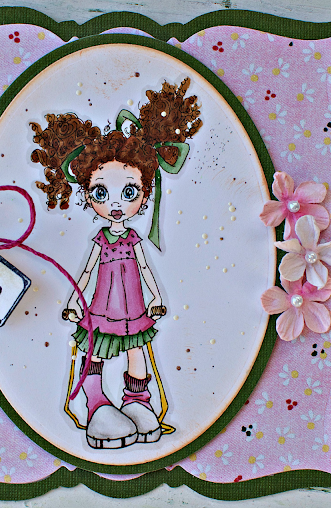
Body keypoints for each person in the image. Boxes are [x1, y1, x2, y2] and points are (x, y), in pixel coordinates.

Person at [29, 78, 202, 449]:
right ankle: (95, 403)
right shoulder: (100, 240)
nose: (117, 204)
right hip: (102, 306)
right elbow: (87, 272)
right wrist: (74, 302)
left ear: (145, 192)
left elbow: (146, 270)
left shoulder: (133, 239)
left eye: (129, 192)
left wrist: (157, 298)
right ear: (88, 194)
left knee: (136, 350)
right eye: (101, 193)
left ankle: (137, 402)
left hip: (134, 306)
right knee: (97, 349)